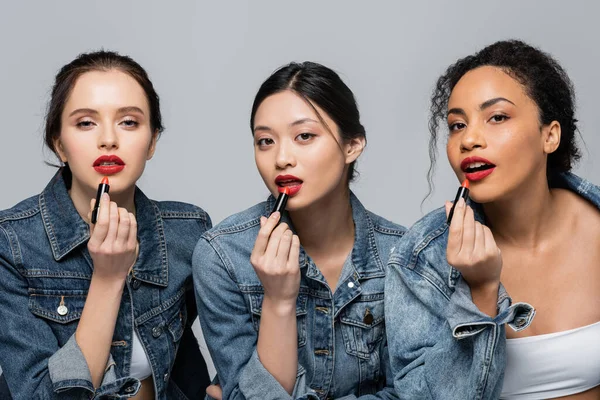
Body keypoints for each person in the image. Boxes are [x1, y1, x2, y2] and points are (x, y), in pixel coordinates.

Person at [387, 39, 599, 399]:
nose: (469, 139)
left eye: (497, 117)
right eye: (457, 125)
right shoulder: (418, 263)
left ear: (550, 136)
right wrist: (481, 293)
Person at [0, 50, 211, 399]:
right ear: (59, 145)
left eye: (129, 122)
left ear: (152, 141)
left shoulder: (188, 230)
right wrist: (108, 278)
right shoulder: (12, 241)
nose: (108, 139)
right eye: (86, 122)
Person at [193, 61, 406, 399]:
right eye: (265, 141)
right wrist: (278, 301)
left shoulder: (404, 255)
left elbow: (412, 391)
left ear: (352, 145)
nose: (281, 158)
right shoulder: (222, 255)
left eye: (304, 136)